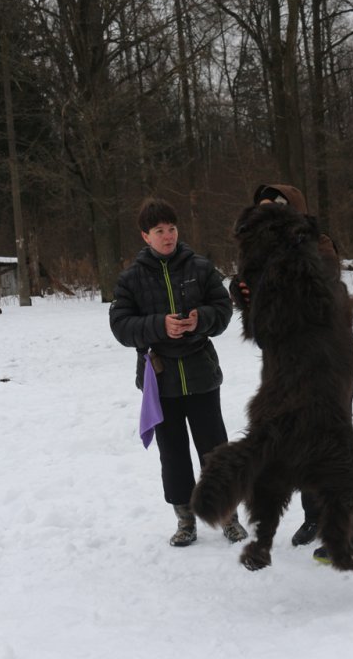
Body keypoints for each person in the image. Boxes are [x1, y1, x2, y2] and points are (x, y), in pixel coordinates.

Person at [230, 183, 353, 563]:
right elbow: (257, 305)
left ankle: (350, 530)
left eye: (275, 206)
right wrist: (242, 292)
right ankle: (315, 517)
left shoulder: (317, 244)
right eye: (262, 207)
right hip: (287, 364)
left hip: (326, 362)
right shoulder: (262, 248)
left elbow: (316, 287)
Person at [110, 197, 247, 547]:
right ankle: (185, 520)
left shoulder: (200, 267)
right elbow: (121, 325)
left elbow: (222, 308)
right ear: (145, 236)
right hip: (161, 382)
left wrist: (200, 320)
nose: (168, 236)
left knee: (214, 449)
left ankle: (227, 515)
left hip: (201, 374)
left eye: (171, 229)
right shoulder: (131, 278)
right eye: (159, 231)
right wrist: (159, 326)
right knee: (172, 454)